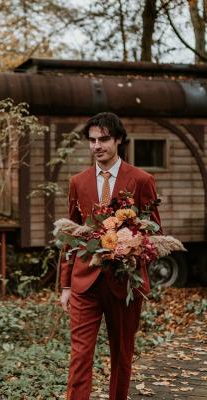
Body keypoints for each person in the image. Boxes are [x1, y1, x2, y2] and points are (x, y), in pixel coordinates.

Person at [60, 112, 161, 400]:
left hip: (124, 283)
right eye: (92, 140)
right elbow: (72, 235)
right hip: (84, 283)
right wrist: (66, 285)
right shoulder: (78, 182)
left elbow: (153, 232)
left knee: (122, 354)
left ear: (118, 139)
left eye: (103, 139)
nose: (97, 146)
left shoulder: (142, 180)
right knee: (80, 356)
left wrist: (132, 248)